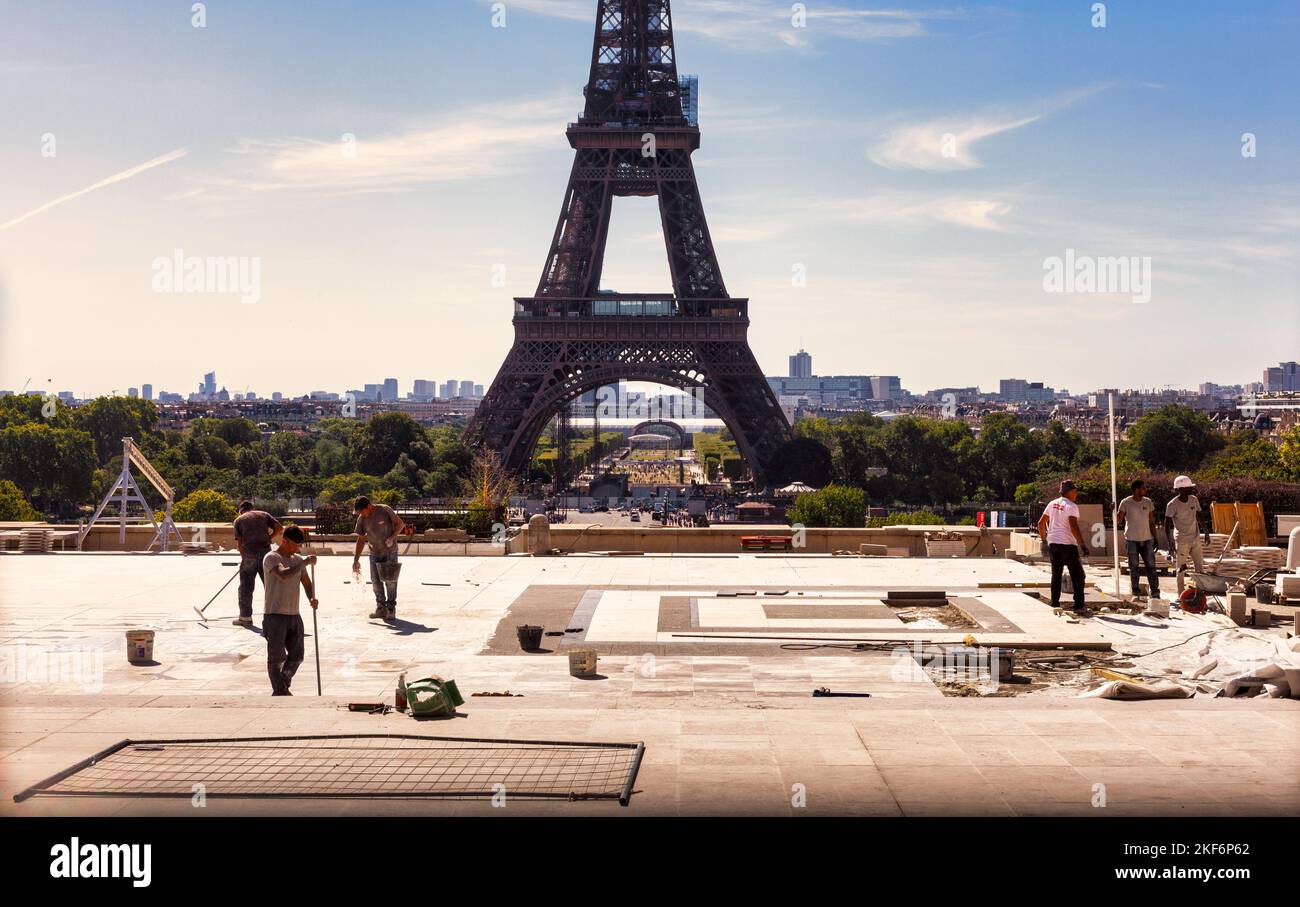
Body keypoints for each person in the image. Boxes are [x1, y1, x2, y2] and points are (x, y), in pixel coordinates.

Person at [262, 525, 317, 696]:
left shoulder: (297, 560)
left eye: (299, 546)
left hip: (294, 614)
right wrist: (304, 563)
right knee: (276, 657)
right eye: (294, 545)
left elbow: (306, 582)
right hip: (275, 615)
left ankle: (283, 684)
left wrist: (311, 598)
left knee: (297, 655)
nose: (297, 548)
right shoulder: (271, 558)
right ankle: (280, 691)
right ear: (284, 541)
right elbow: (283, 575)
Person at [351, 496, 408, 621]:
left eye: (362, 511)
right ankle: (381, 607)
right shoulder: (362, 518)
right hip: (374, 553)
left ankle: (391, 608)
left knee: (390, 581)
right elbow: (360, 539)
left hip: (389, 551)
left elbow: (400, 524)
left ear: (369, 506)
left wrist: (392, 537)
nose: (361, 514)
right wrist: (356, 560)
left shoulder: (385, 510)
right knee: (376, 581)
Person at [1037, 479, 1090, 612]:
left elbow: (1040, 523)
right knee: (1078, 576)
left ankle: (1055, 603)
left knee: (1056, 574)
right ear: (1070, 492)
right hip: (1067, 545)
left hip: (1053, 544)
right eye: (1075, 490)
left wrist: (1044, 541)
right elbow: (1073, 526)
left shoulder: (1052, 504)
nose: (1076, 493)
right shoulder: (1071, 506)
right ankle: (1079, 605)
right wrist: (1082, 545)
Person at [232, 500, 282, 627]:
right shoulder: (264, 514)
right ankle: (277, 615)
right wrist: (268, 538)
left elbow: (240, 544)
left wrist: (244, 559)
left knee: (246, 587)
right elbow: (280, 528)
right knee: (271, 585)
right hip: (266, 555)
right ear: (252, 508)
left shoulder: (239, 520)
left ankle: (245, 618)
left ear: (241, 511)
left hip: (250, 555)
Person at [1116, 479, 1161, 601]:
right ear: (1136, 490)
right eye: (1143, 488)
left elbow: (1151, 521)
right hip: (1131, 540)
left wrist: (1155, 537)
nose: (1145, 490)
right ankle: (1135, 592)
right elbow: (1118, 520)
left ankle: (1155, 591)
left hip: (1147, 539)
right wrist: (1113, 512)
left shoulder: (1148, 502)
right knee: (1134, 566)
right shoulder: (1126, 502)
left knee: (1151, 566)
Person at [1164, 475, 1207, 594]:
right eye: (1189, 487)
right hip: (1182, 540)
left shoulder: (1194, 500)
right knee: (1181, 569)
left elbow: (1200, 516)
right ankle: (1181, 594)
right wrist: (1170, 544)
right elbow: (1166, 526)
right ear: (1180, 489)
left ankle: (1199, 593)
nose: (1191, 489)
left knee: (1199, 568)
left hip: (1195, 538)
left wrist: (1206, 533)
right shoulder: (1172, 505)